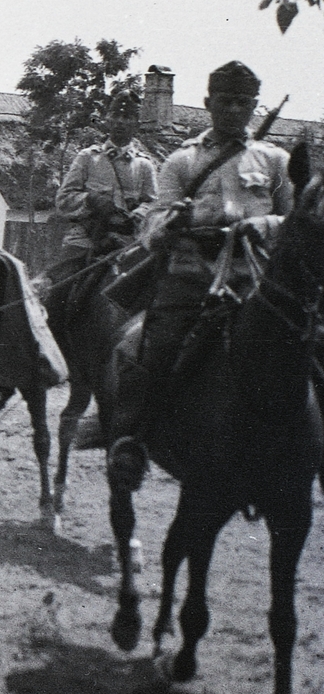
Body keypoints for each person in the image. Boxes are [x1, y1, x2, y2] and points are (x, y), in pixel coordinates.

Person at [107, 61, 293, 489]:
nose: (233, 110)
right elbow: (150, 225)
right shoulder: (181, 161)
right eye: (224, 101)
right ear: (208, 103)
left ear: (254, 107)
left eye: (243, 103)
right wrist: (173, 223)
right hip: (192, 281)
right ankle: (130, 441)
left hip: (255, 283)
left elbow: (296, 218)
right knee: (149, 348)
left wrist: (261, 225)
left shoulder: (276, 161)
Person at [48, 93, 158, 295]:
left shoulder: (144, 166)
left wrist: (139, 214)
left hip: (127, 243)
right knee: (59, 292)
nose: (120, 122)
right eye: (116, 115)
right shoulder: (88, 158)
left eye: (127, 117)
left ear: (136, 123)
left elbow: (154, 205)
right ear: (107, 119)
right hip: (85, 240)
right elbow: (63, 200)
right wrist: (90, 199)